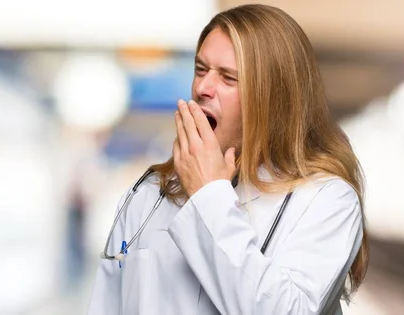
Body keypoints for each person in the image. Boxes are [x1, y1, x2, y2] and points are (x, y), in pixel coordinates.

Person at [88, 4, 368, 315]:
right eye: (200, 69)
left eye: (228, 78)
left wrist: (208, 196)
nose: (202, 88)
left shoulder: (326, 200)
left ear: (272, 98)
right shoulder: (148, 193)